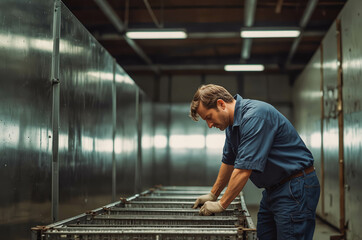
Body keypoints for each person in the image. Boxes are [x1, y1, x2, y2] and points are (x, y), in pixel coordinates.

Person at [189, 84, 320, 240]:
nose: (209, 125)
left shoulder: (255, 116)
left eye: (209, 117)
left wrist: (221, 204)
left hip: (294, 187)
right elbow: (229, 162)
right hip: (274, 189)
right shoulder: (232, 126)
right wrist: (213, 194)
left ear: (221, 104)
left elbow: (243, 169)